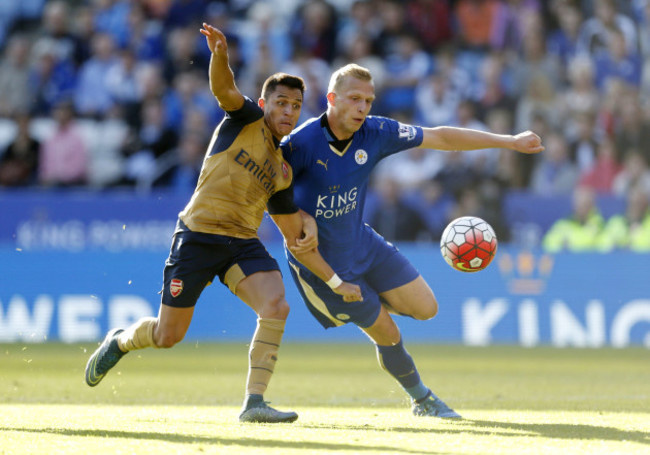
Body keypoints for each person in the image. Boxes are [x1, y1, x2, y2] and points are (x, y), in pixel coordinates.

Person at [85, 24, 361, 424]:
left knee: (276, 305)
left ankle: (254, 403)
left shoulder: (282, 172)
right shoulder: (245, 120)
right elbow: (223, 90)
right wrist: (219, 55)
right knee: (168, 336)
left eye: (296, 106)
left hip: (240, 244)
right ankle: (120, 341)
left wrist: (336, 283)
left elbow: (295, 237)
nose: (288, 112)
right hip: (197, 237)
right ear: (265, 103)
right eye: (281, 103)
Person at [275, 63, 544, 418]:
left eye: (368, 101)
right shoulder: (300, 144)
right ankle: (422, 399)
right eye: (354, 99)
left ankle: (371, 309)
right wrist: (303, 221)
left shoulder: (376, 132)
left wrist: (507, 141)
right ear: (331, 99)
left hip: (362, 242)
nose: (362, 108)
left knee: (427, 308)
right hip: (322, 261)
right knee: (387, 333)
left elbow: (441, 137)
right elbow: (271, 197)